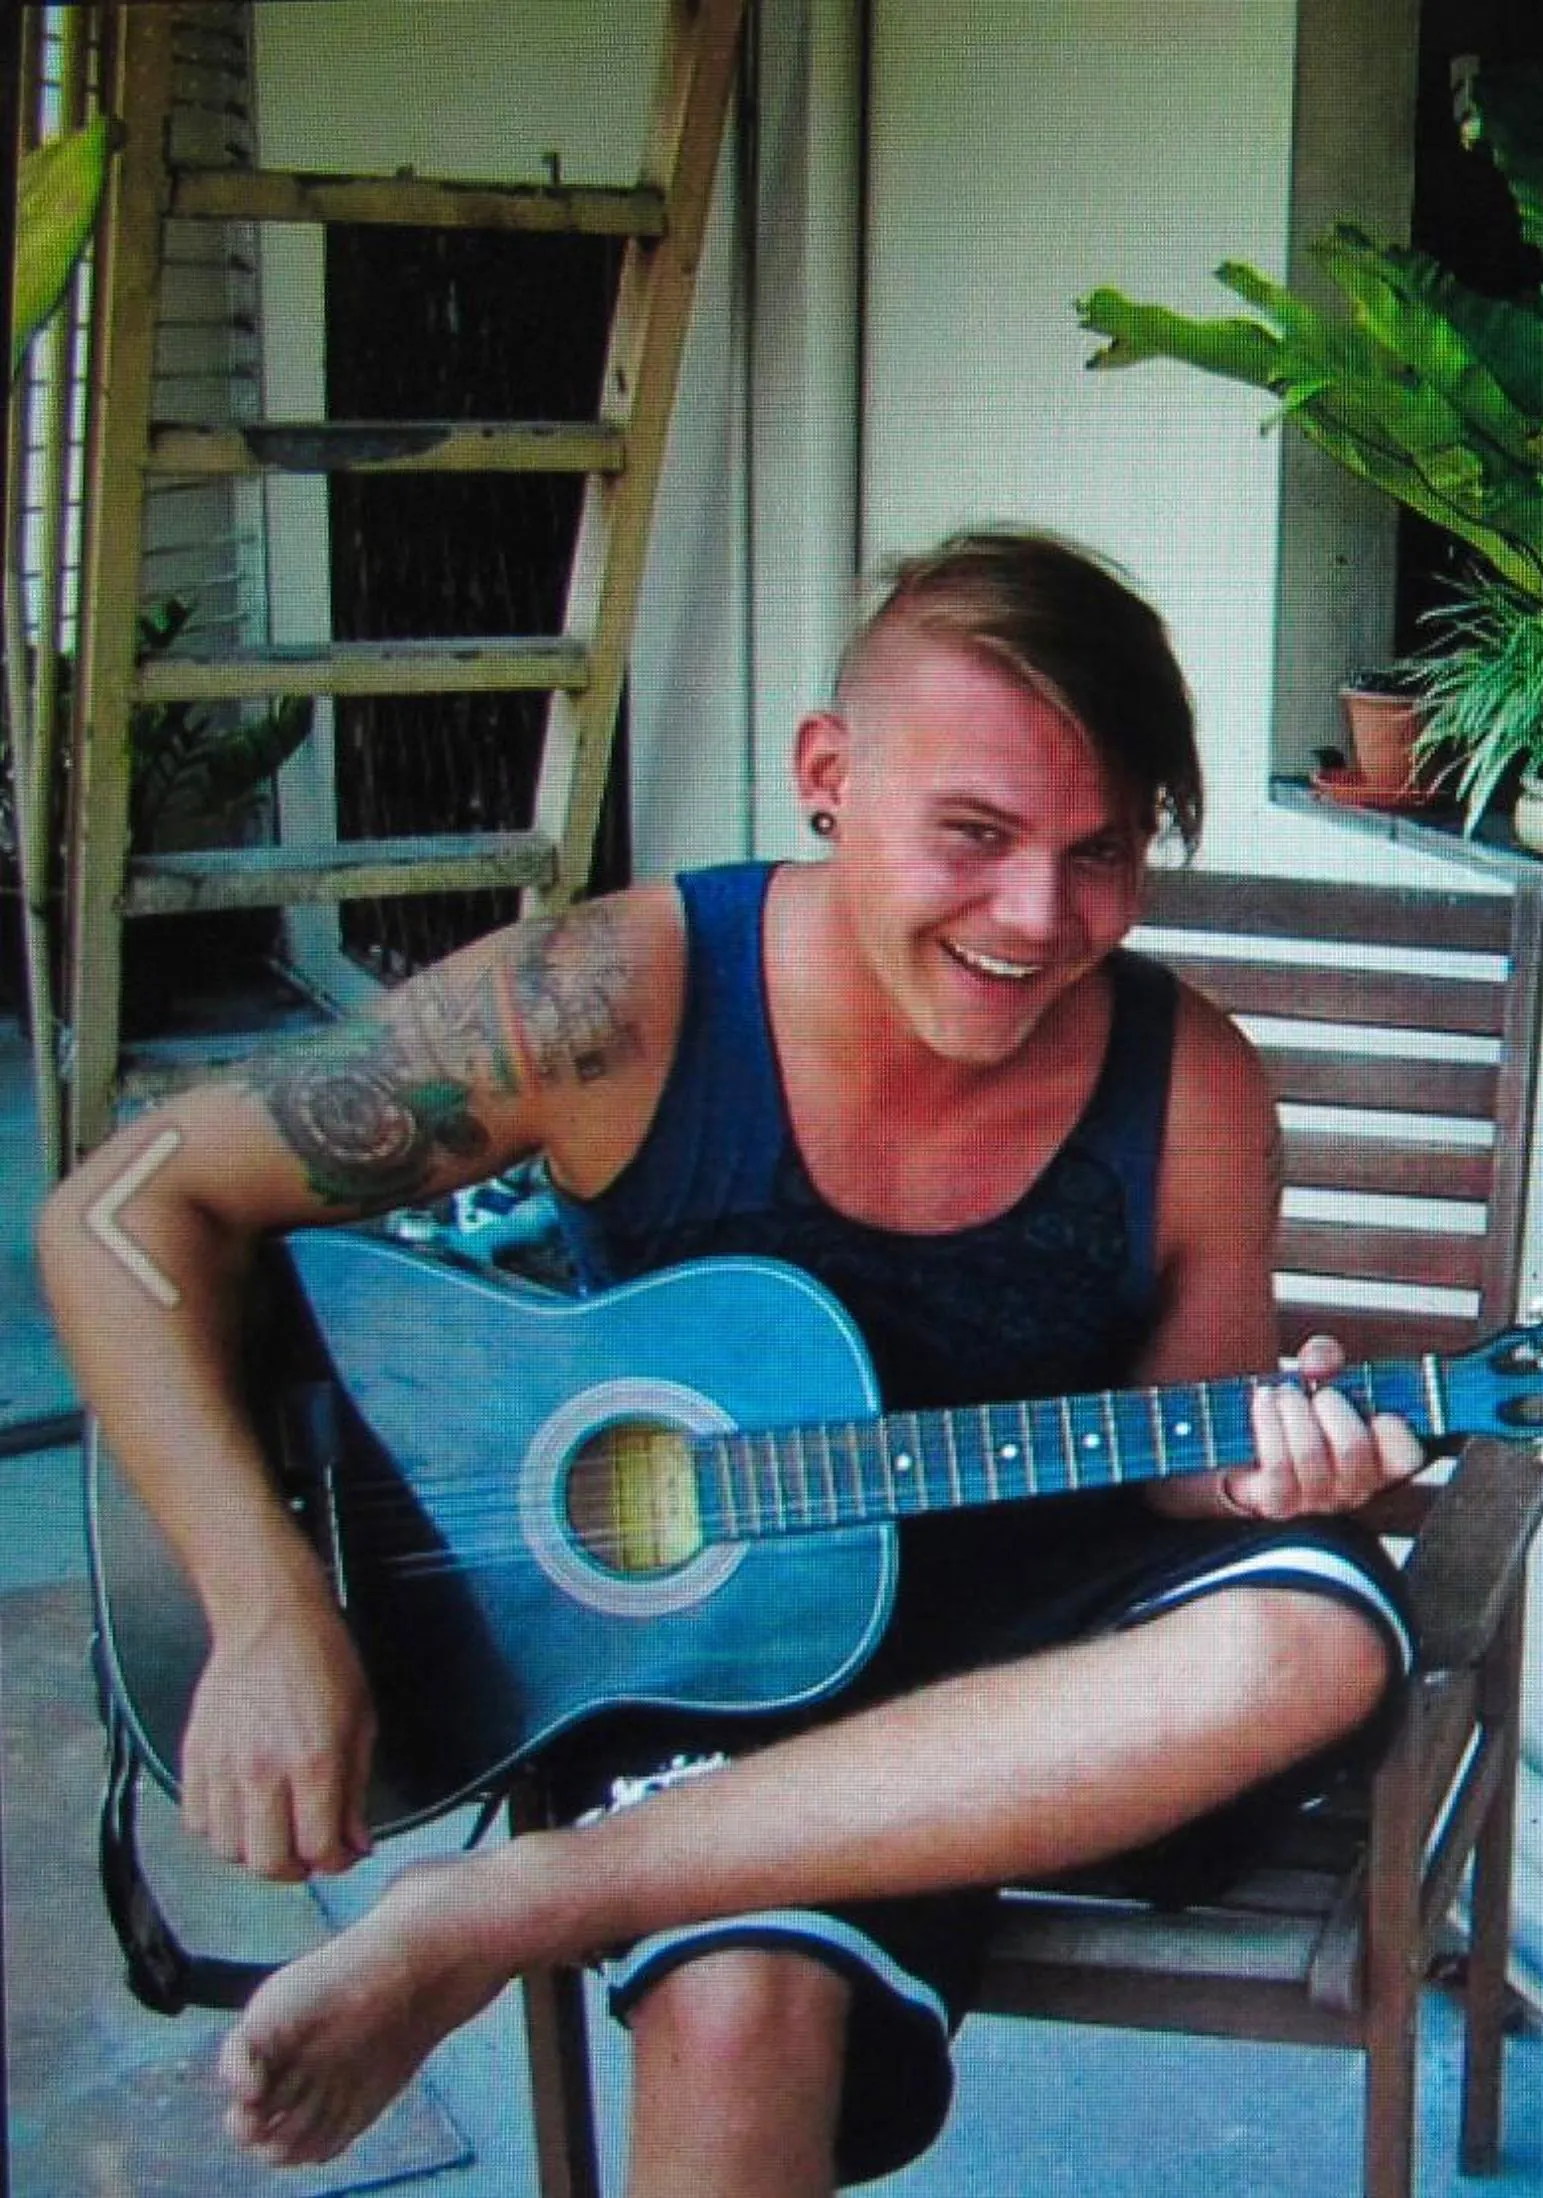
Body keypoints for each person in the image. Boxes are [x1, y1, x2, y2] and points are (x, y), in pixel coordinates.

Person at [37, 530, 1429, 2191]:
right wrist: (267, 1602)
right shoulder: (613, 1005)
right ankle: (647, 1884)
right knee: (735, 2002)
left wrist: (1271, 1452)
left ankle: (509, 1907)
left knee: (1314, 1637)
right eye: (974, 835)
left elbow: (1173, 1448)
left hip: (1022, 1665)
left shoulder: (1185, 1080)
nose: (1040, 916)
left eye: (1102, 849)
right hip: (691, 1643)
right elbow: (123, 1210)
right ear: (828, 774)